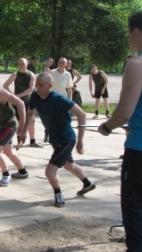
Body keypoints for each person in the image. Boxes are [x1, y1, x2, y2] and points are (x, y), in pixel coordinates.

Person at [98, 10, 142, 252]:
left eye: (129, 33)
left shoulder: (139, 64)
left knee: (136, 212)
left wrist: (106, 127)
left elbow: (124, 112)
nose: (128, 38)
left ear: (136, 32)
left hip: (141, 151)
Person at [23, 72, 96, 207]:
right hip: (55, 139)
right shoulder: (35, 97)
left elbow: (82, 114)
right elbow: (30, 114)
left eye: (41, 85)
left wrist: (80, 141)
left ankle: (58, 195)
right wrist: (24, 132)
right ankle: (88, 184)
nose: (37, 87)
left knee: (50, 171)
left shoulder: (58, 99)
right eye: (36, 84)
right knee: (68, 165)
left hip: (66, 138)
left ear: (50, 86)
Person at [3, 58, 42, 148]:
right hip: (17, 101)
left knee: (31, 122)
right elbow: (5, 85)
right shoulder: (15, 74)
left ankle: (33, 140)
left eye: (23, 63)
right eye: (19, 63)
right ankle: (19, 140)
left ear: (27, 64)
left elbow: (31, 89)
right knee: (20, 121)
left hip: (28, 100)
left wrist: (20, 95)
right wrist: (12, 95)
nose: (21, 65)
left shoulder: (31, 75)